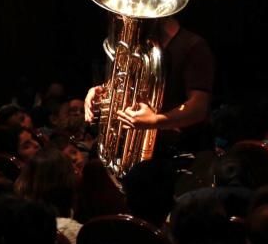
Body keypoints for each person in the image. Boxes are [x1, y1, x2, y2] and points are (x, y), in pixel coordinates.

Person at [84, 17, 215, 156]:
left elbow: (199, 108)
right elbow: (124, 84)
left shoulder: (193, 46)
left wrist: (156, 120)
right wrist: (103, 93)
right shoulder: (138, 45)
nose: (122, 16)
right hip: (141, 153)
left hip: (183, 153)